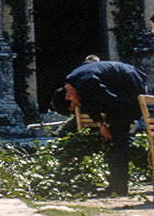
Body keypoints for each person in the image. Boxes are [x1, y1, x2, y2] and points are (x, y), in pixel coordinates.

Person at [52, 58, 145, 196]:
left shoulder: (86, 83)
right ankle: (115, 183)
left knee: (119, 139)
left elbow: (113, 102)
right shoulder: (74, 84)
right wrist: (101, 125)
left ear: (69, 96)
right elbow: (88, 105)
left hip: (129, 83)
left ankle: (119, 187)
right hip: (117, 89)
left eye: (74, 105)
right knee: (114, 137)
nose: (77, 105)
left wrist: (110, 124)